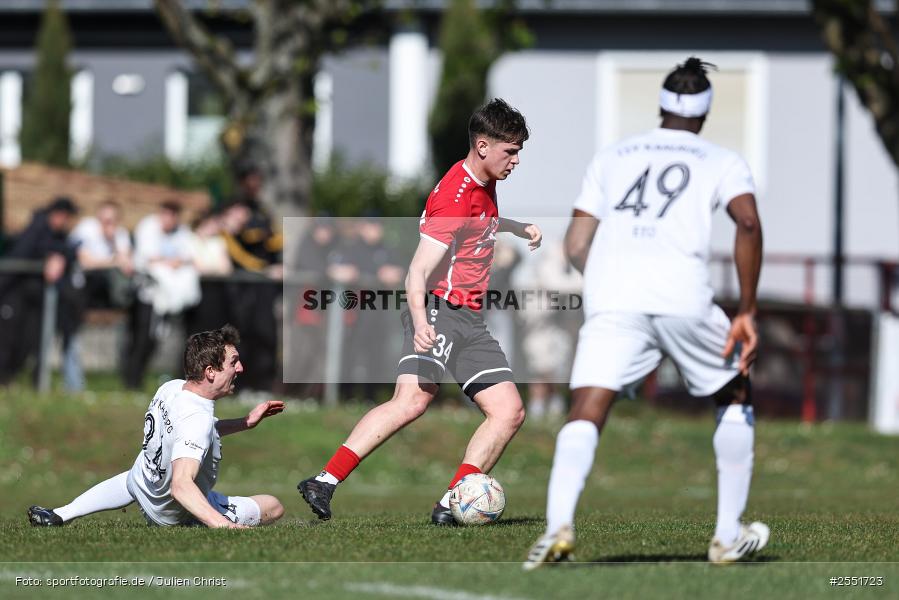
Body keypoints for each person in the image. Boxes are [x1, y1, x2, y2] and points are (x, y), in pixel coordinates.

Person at [523, 58, 767, 568]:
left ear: (660, 106)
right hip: (681, 294)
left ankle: (557, 527)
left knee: (588, 407)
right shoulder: (721, 159)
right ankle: (726, 536)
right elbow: (747, 222)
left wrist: (611, 282)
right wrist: (746, 310)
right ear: (704, 113)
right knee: (735, 390)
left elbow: (574, 244)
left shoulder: (612, 156)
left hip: (615, 298)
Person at [297, 98, 542, 525]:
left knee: (508, 412)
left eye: (519, 150)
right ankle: (325, 480)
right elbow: (416, 272)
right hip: (438, 309)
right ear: (483, 146)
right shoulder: (454, 196)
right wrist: (423, 323)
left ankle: (452, 504)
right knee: (411, 399)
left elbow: (480, 223)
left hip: (468, 317)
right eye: (511, 150)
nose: (516, 160)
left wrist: (517, 227)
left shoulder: (482, 184)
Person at [28, 325, 286, 528]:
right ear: (210, 371)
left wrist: (245, 422)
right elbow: (181, 486)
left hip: (143, 485)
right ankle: (201, 519)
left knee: (134, 475)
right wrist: (223, 526)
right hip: (172, 514)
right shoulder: (197, 419)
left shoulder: (171, 388)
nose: (240, 368)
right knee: (274, 506)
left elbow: (188, 434)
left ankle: (61, 514)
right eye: (233, 362)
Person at [0, 197, 80, 387]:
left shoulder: (58, 235)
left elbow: (68, 251)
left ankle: (10, 380)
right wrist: (51, 256)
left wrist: (59, 256)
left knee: (28, 342)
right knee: (7, 340)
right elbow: (23, 254)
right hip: (13, 294)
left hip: (33, 299)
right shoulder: (37, 229)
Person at [124, 201, 199, 389]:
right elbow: (148, 257)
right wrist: (170, 262)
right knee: (143, 338)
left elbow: (188, 257)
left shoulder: (182, 233)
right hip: (148, 296)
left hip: (171, 298)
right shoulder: (148, 227)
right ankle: (132, 380)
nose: (169, 219)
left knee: (160, 340)